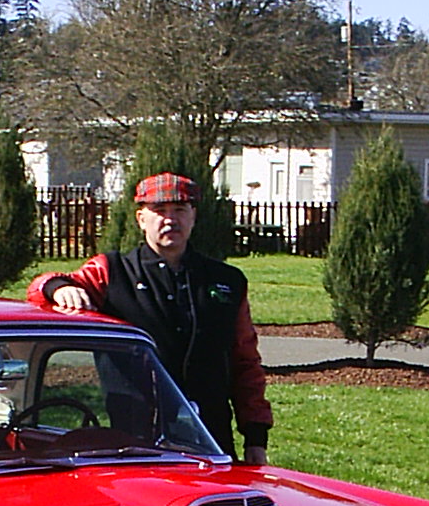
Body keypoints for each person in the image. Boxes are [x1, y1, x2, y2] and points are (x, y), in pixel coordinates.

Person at [27, 173, 272, 463]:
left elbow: (245, 363)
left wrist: (255, 438)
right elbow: (40, 290)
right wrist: (60, 288)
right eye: (159, 211)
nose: (170, 220)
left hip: (210, 437)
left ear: (194, 216)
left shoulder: (227, 281)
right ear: (141, 218)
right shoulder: (112, 271)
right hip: (133, 441)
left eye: (180, 210)